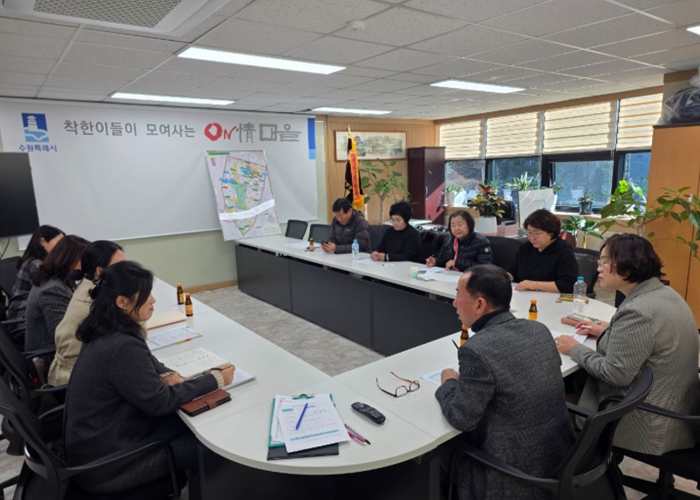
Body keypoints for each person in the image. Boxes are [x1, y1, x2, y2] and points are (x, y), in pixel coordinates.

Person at [65, 261, 234, 494]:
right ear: (122, 302)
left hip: (97, 445)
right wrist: (216, 379)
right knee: (208, 446)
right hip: (111, 465)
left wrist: (166, 373)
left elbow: (146, 360)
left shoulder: (103, 328)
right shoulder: (120, 346)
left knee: (191, 423)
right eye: (146, 295)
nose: (153, 300)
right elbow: (161, 402)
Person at [436, 264, 575, 500]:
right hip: (559, 458)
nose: (454, 302)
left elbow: (461, 418)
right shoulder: (539, 330)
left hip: (510, 473)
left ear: (480, 304)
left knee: (429, 460)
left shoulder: (477, 350)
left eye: (458, 294)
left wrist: (448, 383)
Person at [556, 234, 700, 455]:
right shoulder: (663, 293)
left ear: (628, 265)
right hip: (677, 407)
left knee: (553, 404)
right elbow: (651, 338)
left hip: (650, 422)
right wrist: (607, 330)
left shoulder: (638, 312)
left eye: (605, 261)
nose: (598, 268)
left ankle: (586, 465)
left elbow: (615, 374)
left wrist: (574, 348)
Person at [48, 240, 126, 386]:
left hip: (75, 370)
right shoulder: (94, 302)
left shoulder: (87, 286)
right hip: (76, 378)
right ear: (100, 271)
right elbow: (133, 341)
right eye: (120, 266)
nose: (126, 271)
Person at [24, 235, 89, 355]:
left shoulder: (53, 278)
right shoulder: (53, 290)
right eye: (84, 259)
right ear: (69, 259)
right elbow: (65, 336)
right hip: (49, 356)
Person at [6, 225, 64, 348]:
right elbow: (51, 294)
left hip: (30, 317)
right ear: (43, 241)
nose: (63, 248)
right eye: (59, 243)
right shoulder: (36, 265)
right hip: (23, 324)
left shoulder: (36, 261)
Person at [508, 209, 578, 293]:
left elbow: (568, 284)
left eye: (536, 233)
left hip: (552, 298)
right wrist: (503, 276)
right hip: (526, 295)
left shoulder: (564, 252)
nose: (532, 237)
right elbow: (513, 272)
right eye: (529, 233)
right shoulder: (525, 248)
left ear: (551, 232)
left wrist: (535, 285)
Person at [426, 210, 492, 271]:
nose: (456, 228)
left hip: (471, 278)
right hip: (451, 275)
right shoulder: (449, 240)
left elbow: (485, 268)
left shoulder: (481, 242)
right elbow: (447, 261)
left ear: (469, 224)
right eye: (453, 225)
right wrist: (436, 262)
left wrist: (457, 263)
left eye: (460, 225)